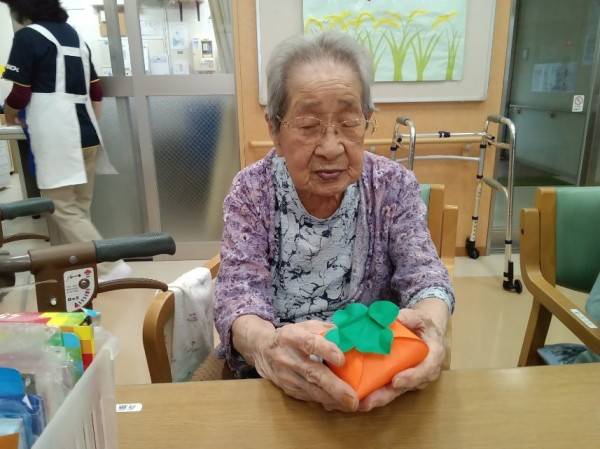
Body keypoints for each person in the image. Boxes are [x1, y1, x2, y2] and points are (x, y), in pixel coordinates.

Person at [213, 32, 454, 412]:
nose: (330, 147)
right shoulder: (252, 190)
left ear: (367, 121)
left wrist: (432, 329)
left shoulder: (392, 186)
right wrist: (266, 347)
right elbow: (238, 295)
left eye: (349, 122)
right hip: (281, 377)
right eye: (308, 125)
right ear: (274, 130)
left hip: (374, 378)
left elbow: (425, 276)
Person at [0, 0, 130, 281]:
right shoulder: (75, 37)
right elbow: (97, 90)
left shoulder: (28, 37)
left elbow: (19, 94)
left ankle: (109, 265)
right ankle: (89, 268)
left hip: (58, 137)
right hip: (88, 134)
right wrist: (90, 122)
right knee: (79, 208)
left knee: (60, 205)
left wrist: (9, 114)